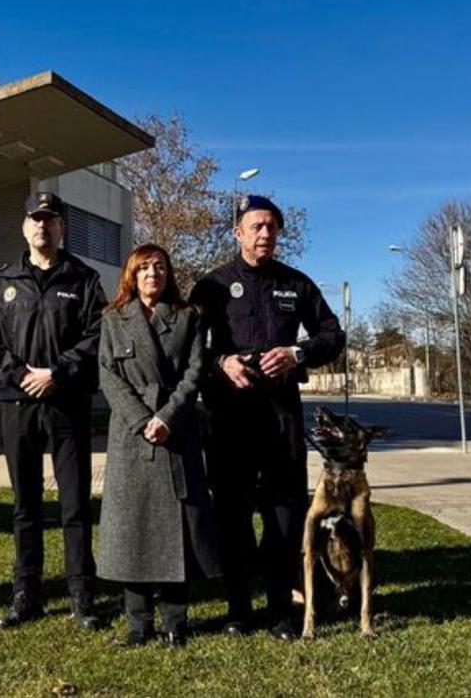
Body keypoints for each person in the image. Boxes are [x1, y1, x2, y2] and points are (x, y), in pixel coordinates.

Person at [188, 195, 344, 641]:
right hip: (229, 418)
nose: (264, 234)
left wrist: (298, 353)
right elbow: (189, 347)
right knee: (233, 516)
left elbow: (333, 335)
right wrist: (221, 364)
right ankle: (238, 609)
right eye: (256, 226)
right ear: (237, 232)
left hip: (281, 420)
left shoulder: (296, 285)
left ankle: (280, 610)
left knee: (283, 517)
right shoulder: (212, 286)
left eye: (271, 227)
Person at [0, 191, 107, 630]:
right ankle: (26, 593)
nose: (42, 226)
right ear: (24, 226)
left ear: (61, 227)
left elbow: (97, 337)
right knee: (25, 504)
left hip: (66, 402)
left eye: (50, 219)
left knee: (74, 505)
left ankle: (82, 595)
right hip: (18, 404)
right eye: (35, 219)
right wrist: (18, 375)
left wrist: (58, 372)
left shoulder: (83, 279)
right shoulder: (2, 281)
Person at [97, 244, 220, 647]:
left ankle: (175, 622)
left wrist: (167, 418)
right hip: (131, 438)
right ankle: (138, 623)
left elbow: (195, 371)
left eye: (160, 267)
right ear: (132, 274)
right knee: (133, 531)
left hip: (176, 432)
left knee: (177, 531)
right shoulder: (113, 319)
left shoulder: (188, 318)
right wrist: (140, 419)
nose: (153, 273)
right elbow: (108, 375)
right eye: (145, 267)